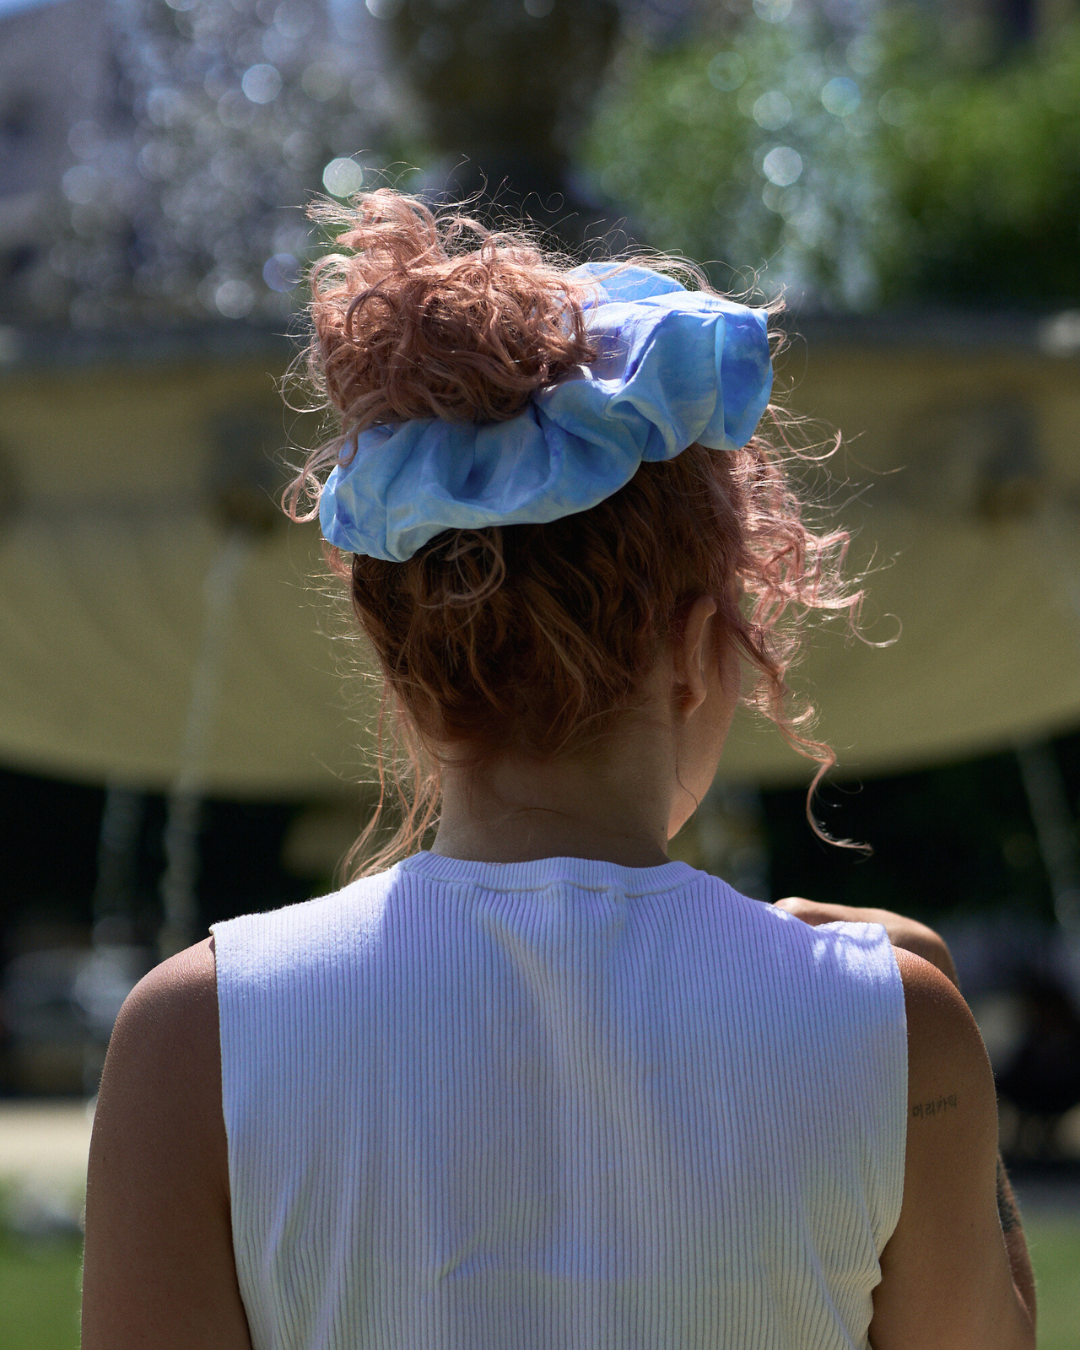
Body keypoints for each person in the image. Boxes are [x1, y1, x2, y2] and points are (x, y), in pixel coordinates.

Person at [82, 191, 1036, 1350]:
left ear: (400, 661)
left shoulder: (193, 1034)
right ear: (696, 651)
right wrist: (918, 1003)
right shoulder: (891, 1023)